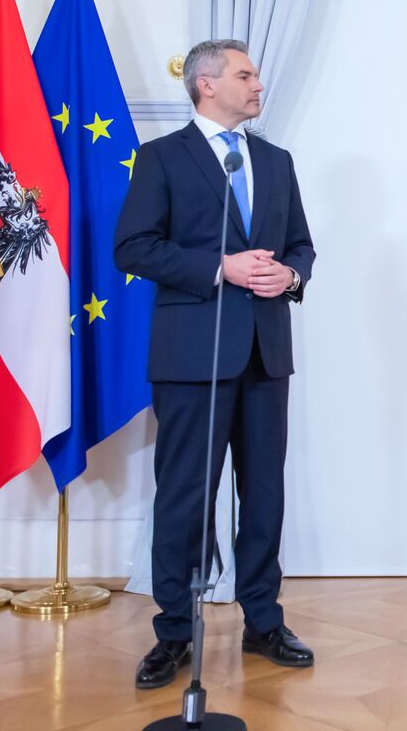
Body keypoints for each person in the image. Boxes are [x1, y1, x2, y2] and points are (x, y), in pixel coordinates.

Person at [115, 39, 316, 689]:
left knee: (263, 497)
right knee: (185, 498)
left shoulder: (277, 162)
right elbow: (134, 247)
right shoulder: (162, 160)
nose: (258, 84)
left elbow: (302, 250)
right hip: (190, 358)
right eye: (245, 74)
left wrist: (288, 276)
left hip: (265, 355)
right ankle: (175, 631)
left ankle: (263, 620)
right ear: (207, 85)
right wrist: (218, 268)